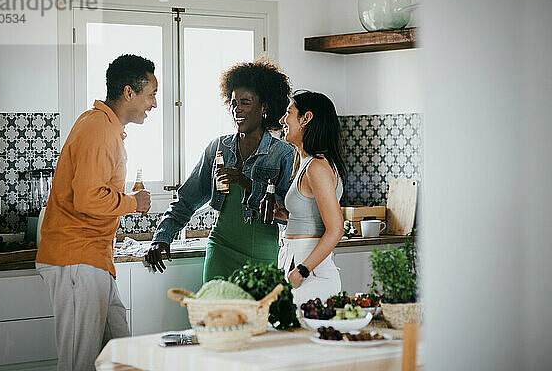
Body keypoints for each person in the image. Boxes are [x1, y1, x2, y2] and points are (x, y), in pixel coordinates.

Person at [35, 54, 155, 371]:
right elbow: (88, 199)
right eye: (151, 94)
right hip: (77, 259)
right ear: (129, 92)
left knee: (120, 355)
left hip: (92, 259)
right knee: (79, 361)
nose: (154, 104)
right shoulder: (99, 129)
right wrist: (133, 202)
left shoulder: (103, 126)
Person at [146, 59, 294, 282]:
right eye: (234, 103)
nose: (237, 109)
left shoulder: (283, 153)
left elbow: (288, 215)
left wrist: (247, 183)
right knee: (213, 316)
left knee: (258, 317)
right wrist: (162, 237)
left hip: (263, 255)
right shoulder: (218, 148)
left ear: (264, 106)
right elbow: (187, 200)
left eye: (245, 102)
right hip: (221, 249)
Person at [276, 90, 346, 307]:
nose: (282, 120)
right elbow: (313, 218)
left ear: (306, 118)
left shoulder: (317, 167)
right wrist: (288, 216)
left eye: (288, 113)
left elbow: (336, 229)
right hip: (297, 263)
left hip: (310, 271)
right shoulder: (305, 163)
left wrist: (302, 270)